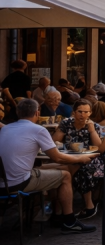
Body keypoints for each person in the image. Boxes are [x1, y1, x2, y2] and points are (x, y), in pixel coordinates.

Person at [0, 99, 97, 233]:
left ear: (17, 112)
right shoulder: (38, 130)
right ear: (37, 113)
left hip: (3, 181)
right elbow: (57, 157)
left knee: (54, 170)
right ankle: (69, 221)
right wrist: (80, 158)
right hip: (20, 182)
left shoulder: (6, 129)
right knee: (65, 176)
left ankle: (56, 213)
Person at [53, 99, 104, 220]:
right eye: (80, 112)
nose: (83, 115)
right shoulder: (66, 123)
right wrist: (60, 133)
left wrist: (91, 130)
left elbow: (99, 147)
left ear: (90, 113)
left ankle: (88, 206)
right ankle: (59, 208)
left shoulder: (94, 126)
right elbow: (54, 141)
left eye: (86, 112)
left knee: (82, 170)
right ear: (74, 112)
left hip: (90, 158)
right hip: (69, 157)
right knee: (59, 170)